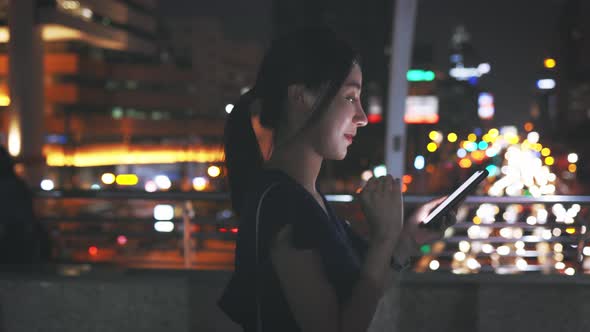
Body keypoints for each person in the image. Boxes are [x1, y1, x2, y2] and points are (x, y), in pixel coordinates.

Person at [219, 27, 455, 332]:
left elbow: (361, 295)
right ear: (301, 97)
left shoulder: (306, 195)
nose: (362, 116)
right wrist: (384, 238)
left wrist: (406, 241)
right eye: (350, 97)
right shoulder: (282, 203)